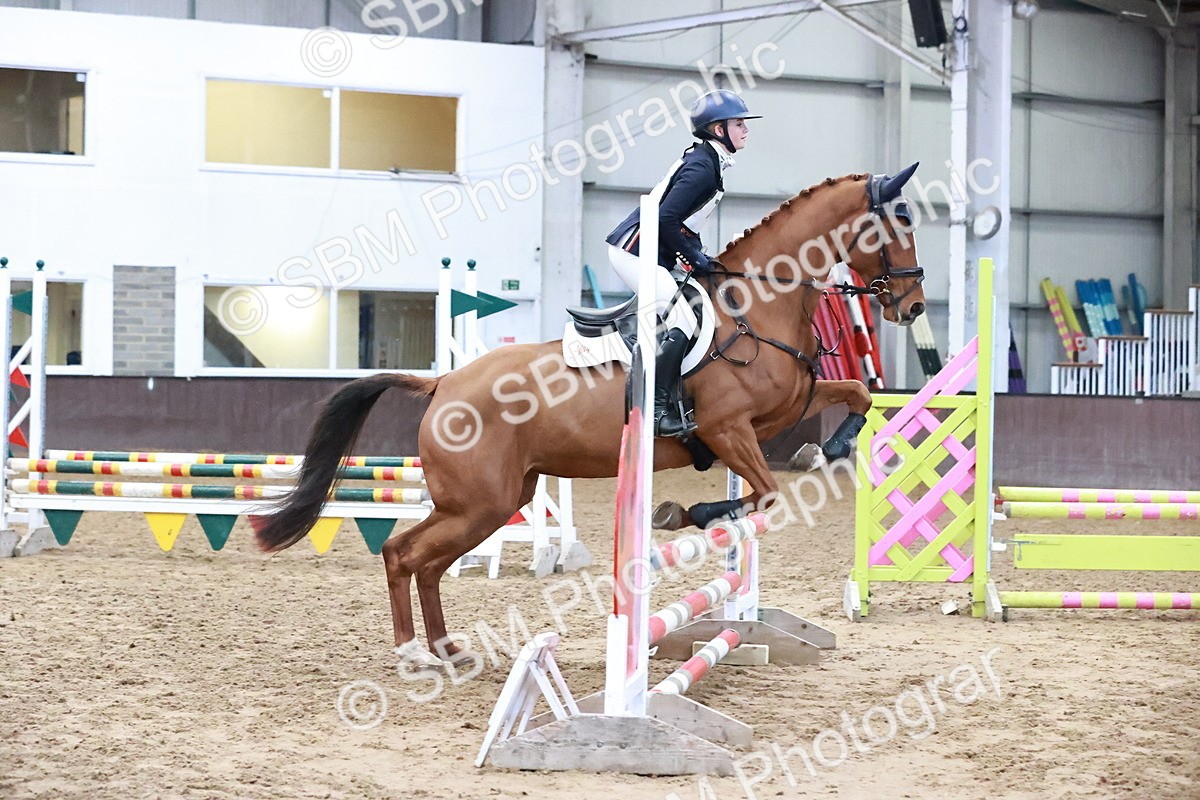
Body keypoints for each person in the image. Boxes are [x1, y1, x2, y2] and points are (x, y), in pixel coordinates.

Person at [604, 89, 760, 438]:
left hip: (653, 250)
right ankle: (657, 409)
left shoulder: (710, 161)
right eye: (739, 124)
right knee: (684, 319)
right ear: (719, 130)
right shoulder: (703, 167)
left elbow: (685, 223)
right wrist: (693, 258)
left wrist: (700, 256)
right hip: (634, 251)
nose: (746, 130)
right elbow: (665, 219)